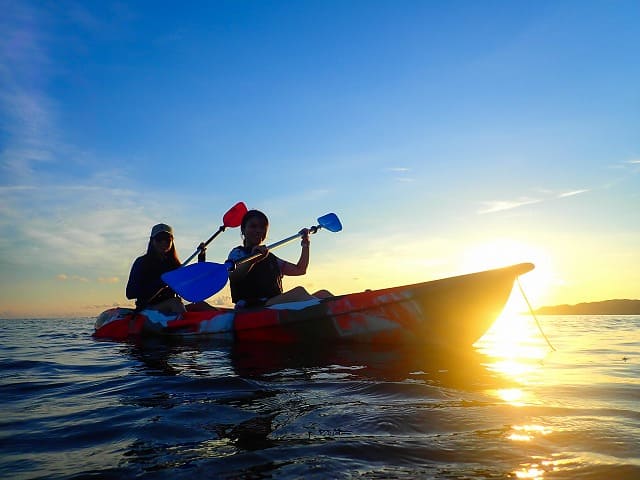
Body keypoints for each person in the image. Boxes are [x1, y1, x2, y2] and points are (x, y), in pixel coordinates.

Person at [226, 209, 331, 308]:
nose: (258, 230)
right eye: (253, 226)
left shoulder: (271, 258)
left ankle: (336, 313)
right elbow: (234, 276)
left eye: (262, 227)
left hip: (273, 304)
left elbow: (300, 270)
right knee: (299, 292)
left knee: (323, 294)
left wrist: (305, 244)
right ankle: (326, 312)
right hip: (252, 307)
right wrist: (253, 260)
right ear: (243, 230)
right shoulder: (238, 253)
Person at [126, 223, 186, 314]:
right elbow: (130, 293)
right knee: (175, 303)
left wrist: (201, 256)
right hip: (147, 309)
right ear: (152, 241)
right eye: (159, 239)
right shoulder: (141, 262)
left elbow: (190, 284)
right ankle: (186, 326)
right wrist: (160, 283)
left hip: (170, 307)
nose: (163, 242)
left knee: (201, 305)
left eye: (167, 239)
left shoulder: (174, 265)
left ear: (172, 241)